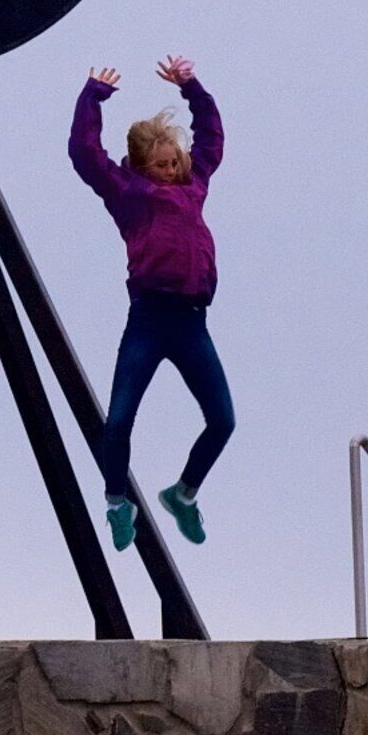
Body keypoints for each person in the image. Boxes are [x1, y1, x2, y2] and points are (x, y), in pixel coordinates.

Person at [70, 55, 231, 553]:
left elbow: (211, 139)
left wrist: (192, 86)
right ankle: (118, 503)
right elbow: (84, 153)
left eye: (172, 164)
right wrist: (93, 95)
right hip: (148, 320)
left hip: (191, 323)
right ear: (142, 167)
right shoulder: (129, 193)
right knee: (118, 420)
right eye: (159, 165)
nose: (168, 172)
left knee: (222, 419)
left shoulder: (194, 185)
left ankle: (183, 494)